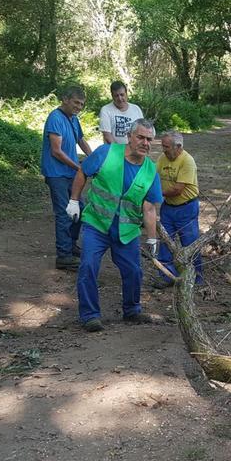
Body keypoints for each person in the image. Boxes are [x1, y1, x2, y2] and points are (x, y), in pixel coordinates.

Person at [65, 119, 164, 332]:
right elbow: (83, 171)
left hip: (126, 231)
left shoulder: (150, 171)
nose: (145, 143)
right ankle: (90, 316)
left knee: (134, 271)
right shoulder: (106, 153)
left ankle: (132, 310)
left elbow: (149, 208)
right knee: (88, 266)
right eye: (141, 137)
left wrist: (152, 237)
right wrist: (74, 200)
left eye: (149, 139)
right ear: (129, 136)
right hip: (97, 224)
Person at [40, 86, 92, 270]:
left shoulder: (73, 118)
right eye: (76, 103)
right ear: (65, 99)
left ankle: (70, 245)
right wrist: (80, 167)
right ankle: (63, 255)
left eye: (82, 104)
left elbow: (81, 140)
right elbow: (56, 151)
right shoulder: (55, 118)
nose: (79, 107)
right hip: (57, 174)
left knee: (80, 209)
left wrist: (94, 159)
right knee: (64, 213)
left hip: (71, 173)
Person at [153, 131, 203, 288]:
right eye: (163, 146)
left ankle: (196, 277)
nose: (163, 149)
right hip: (168, 207)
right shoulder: (163, 158)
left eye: (166, 147)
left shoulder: (187, 161)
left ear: (178, 147)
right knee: (166, 242)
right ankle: (167, 276)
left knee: (190, 243)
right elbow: (153, 176)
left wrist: (155, 193)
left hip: (186, 208)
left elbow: (177, 189)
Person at [98, 81, 144, 145]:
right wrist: (119, 150)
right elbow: (107, 135)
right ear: (112, 96)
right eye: (116, 96)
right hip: (113, 151)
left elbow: (142, 131)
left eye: (122, 95)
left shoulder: (136, 109)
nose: (120, 98)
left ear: (126, 94)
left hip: (134, 150)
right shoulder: (106, 110)